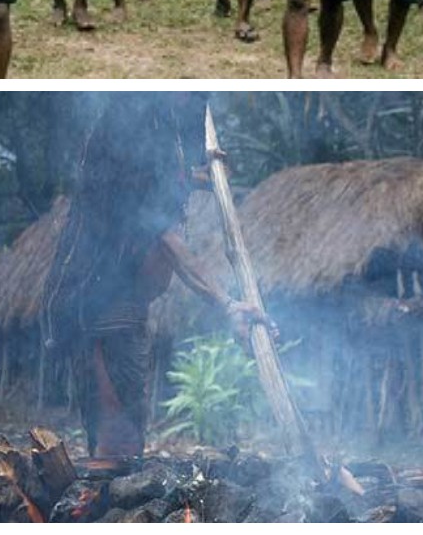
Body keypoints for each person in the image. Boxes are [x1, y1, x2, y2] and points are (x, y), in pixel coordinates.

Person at [43, 95, 271, 463]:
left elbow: (160, 183)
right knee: (117, 439)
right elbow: (167, 238)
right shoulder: (136, 133)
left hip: (121, 308)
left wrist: (202, 177)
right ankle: (101, 512)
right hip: (102, 312)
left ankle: (109, 500)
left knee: (125, 435)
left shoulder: (149, 132)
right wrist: (226, 304)